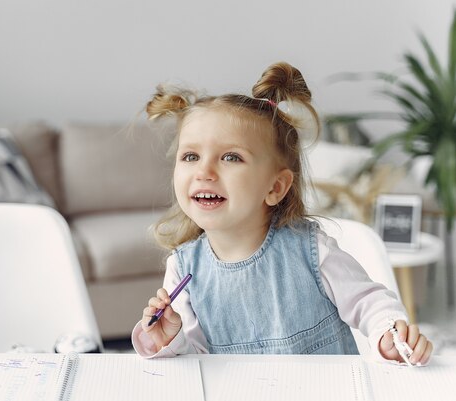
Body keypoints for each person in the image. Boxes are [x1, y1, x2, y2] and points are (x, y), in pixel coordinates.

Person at [131, 62, 433, 365]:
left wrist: (388, 334)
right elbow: (197, 359)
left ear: (276, 187)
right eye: (191, 156)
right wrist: (170, 339)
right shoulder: (182, 268)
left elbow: (369, 302)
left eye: (231, 157)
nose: (203, 171)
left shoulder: (312, 250)